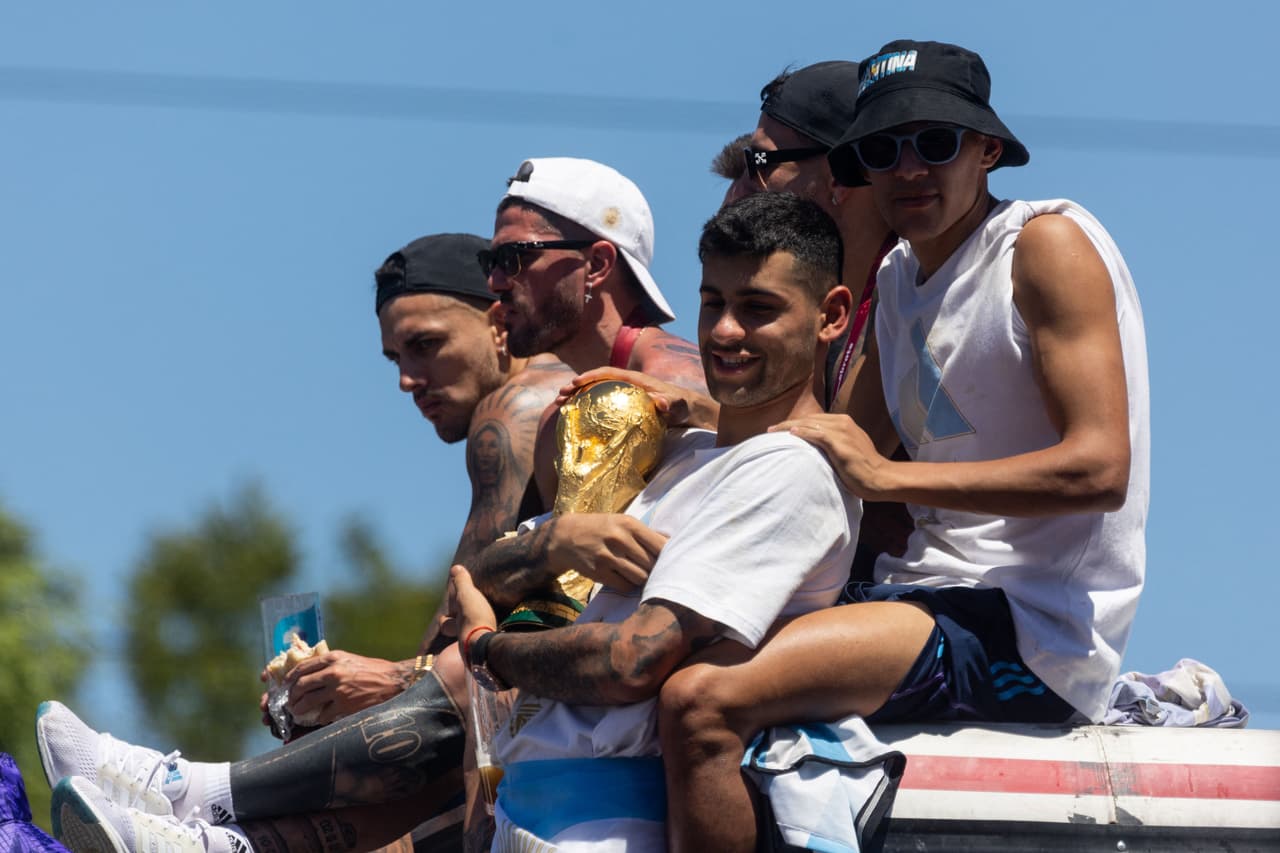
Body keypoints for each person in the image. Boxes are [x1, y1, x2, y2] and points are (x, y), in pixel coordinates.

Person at [37, 160, 714, 853]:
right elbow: (486, 603)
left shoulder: (528, 406)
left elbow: (473, 630)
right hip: (565, 732)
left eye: (511, 260)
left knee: (461, 687)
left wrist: (388, 680)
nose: (406, 380)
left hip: (601, 748)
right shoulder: (570, 405)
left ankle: (195, 798)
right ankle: (217, 835)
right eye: (395, 354)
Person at [658, 39, 1150, 852]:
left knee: (702, 701)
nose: (910, 168)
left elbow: (1100, 468)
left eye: (936, 142)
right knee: (664, 649)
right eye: (883, 150)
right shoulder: (898, 281)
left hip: (1031, 631)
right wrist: (683, 416)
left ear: (988, 149)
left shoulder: (1044, 245)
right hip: (927, 597)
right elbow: (828, 437)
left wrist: (891, 473)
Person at [447, 190, 860, 850]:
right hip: (528, 811)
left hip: (606, 823)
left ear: (831, 315)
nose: (725, 331)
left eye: (758, 308)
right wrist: (560, 539)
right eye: (713, 302)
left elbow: (628, 660)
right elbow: (478, 571)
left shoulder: (791, 470)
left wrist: (486, 650)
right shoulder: (681, 451)